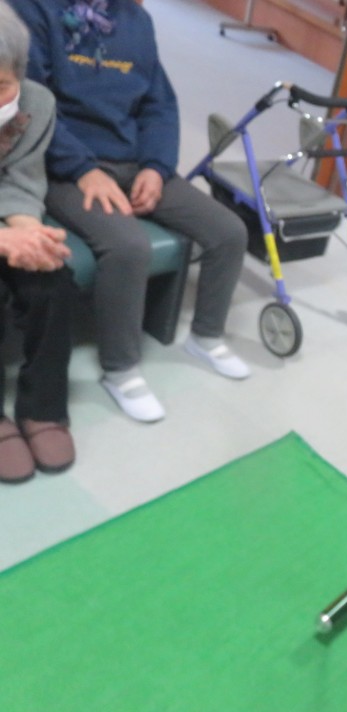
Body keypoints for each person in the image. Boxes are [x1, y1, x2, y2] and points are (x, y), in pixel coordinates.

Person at [11, 0, 251, 424]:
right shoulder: (33, 10)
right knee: (127, 245)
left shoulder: (137, 20)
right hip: (65, 168)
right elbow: (32, 103)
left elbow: (160, 104)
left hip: (134, 161)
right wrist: (83, 169)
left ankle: (206, 336)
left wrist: (157, 168)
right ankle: (120, 369)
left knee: (229, 231)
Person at [0, 0, 75, 483]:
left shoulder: (37, 104)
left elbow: (22, 177)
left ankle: (43, 406)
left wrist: (28, 228)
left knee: (55, 280)